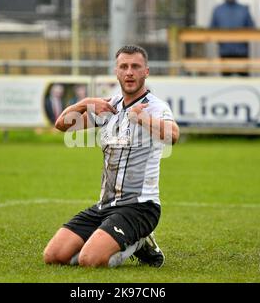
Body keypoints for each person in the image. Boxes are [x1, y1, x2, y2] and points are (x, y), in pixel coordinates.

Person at [43, 45, 180, 268]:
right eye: (123, 67)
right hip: (105, 205)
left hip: (140, 207)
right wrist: (84, 103)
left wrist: (142, 119)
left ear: (146, 71)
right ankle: (108, 239)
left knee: (90, 260)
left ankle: (140, 242)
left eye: (135, 66)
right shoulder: (109, 106)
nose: (129, 72)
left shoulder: (155, 107)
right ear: (116, 71)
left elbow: (173, 135)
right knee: (53, 256)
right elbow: (62, 125)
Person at [210, 0, 254, 76]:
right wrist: (220, 41)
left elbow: (251, 27)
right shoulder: (218, 10)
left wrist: (244, 39)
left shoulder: (243, 9)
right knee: (226, 81)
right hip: (225, 51)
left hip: (241, 51)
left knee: (244, 79)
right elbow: (212, 29)